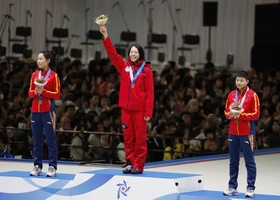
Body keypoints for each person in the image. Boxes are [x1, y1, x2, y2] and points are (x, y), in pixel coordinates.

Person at [99, 22, 154, 174]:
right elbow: (113, 54)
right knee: (128, 139)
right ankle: (129, 162)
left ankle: (138, 165)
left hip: (140, 111)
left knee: (140, 139)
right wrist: (105, 36)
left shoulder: (147, 71)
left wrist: (148, 112)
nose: (133, 54)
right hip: (126, 109)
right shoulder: (124, 67)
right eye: (131, 52)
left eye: (135, 52)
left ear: (140, 54)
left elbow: (150, 92)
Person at [223, 71, 260, 197]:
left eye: (241, 80)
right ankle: (232, 187)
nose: (239, 82)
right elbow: (226, 111)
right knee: (233, 161)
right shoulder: (231, 95)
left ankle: (250, 188)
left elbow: (256, 114)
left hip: (247, 132)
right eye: (237, 80)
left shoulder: (252, 95)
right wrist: (230, 114)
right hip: (233, 132)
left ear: (247, 82)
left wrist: (241, 115)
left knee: (249, 162)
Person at [28, 50, 61, 177]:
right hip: (35, 111)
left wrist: (44, 91)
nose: (38, 61)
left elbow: (57, 94)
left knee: (51, 140)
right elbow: (30, 93)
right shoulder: (34, 75)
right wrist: (36, 92)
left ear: (48, 61)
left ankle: (52, 166)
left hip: (48, 111)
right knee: (36, 140)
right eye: (38, 59)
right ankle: (37, 166)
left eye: (41, 59)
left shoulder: (54, 76)